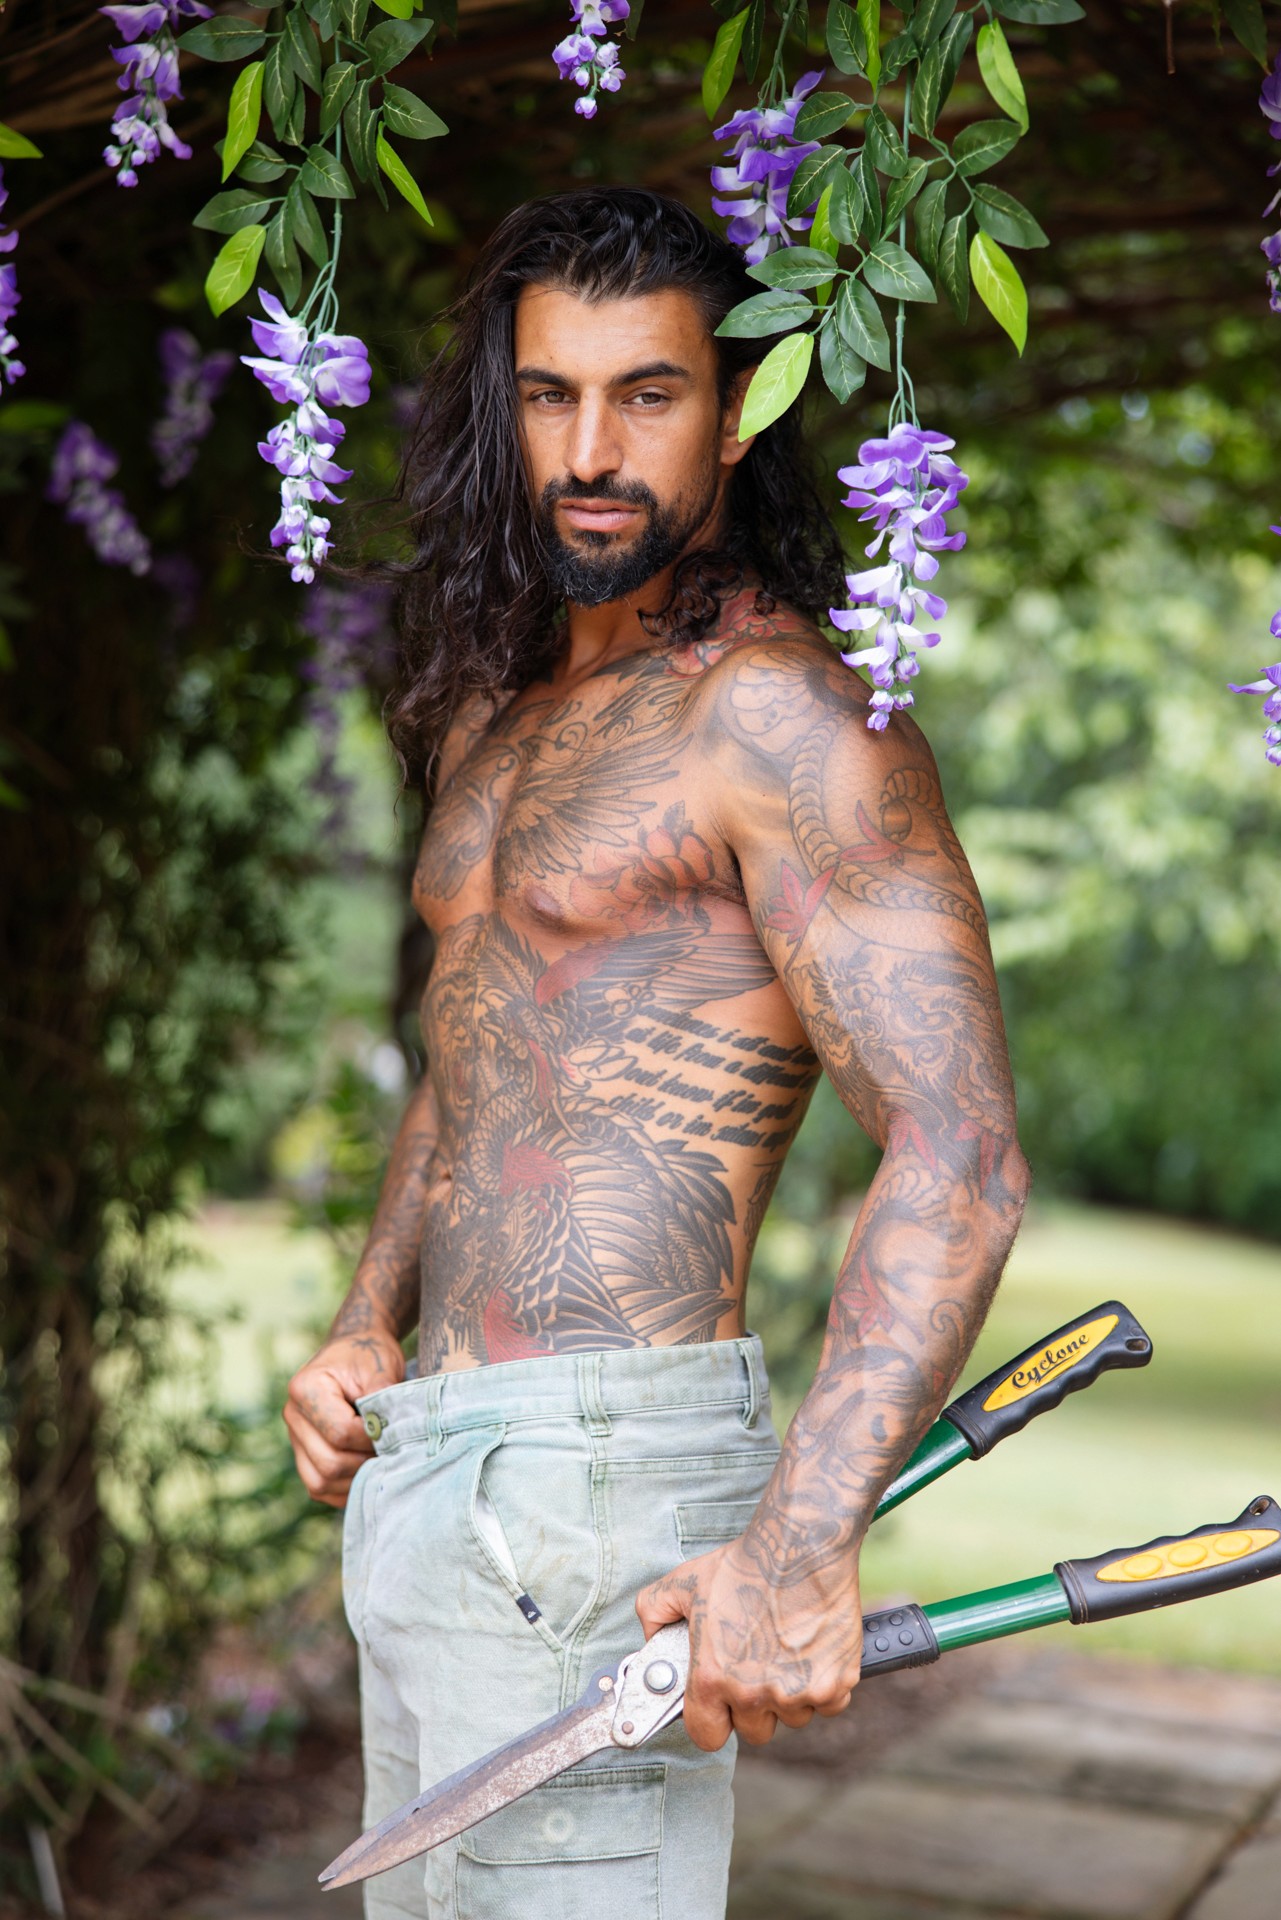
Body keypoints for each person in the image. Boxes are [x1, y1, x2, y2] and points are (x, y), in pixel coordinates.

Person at [284, 187, 1030, 1920]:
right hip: (433, 1465)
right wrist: (362, 1313)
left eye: (649, 393)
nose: (591, 446)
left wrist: (799, 1538)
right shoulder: (502, 710)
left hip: (605, 1475)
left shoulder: (774, 714)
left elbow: (961, 1151)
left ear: (741, 408)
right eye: (550, 394)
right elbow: (487, 1051)